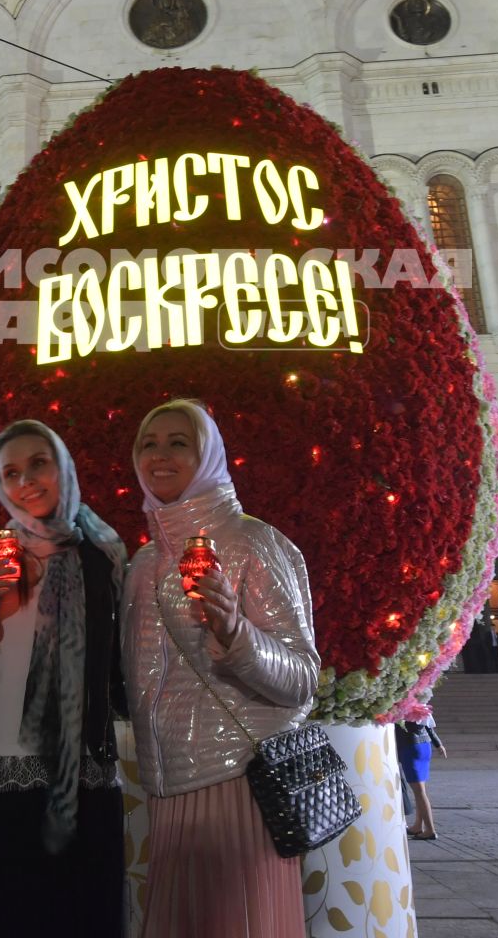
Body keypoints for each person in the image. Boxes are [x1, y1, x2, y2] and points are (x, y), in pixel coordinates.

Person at [120, 399, 320, 938]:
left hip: (241, 786)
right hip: (166, 790)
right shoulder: (142, 564)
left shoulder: (251, 542)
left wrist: (237, 636)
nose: (159, 455)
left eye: (178, 442)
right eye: (148, 443)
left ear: (208, 455)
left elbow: (303, 676)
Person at [0, 420, 129, 937]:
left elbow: (119, 686)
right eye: (11, 472)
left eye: (39, 463)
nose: (28, 481)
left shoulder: (100, 563)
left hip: (84, 795)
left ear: (63, 467)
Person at [397, 712, 447, 841]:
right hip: (425, 746)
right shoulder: (418, 705)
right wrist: (438, 744)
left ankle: (430, 830)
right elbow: (428, 727)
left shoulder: (401, 706)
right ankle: (418, 826)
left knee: (419, 792)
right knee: (420, 791)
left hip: (410, 747)